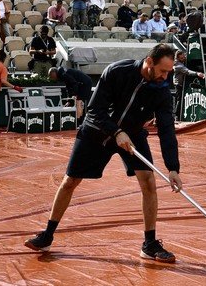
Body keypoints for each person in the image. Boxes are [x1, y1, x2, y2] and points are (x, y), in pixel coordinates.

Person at [25, 45, 182, 263]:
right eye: (163, 70)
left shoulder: (162, 89)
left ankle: (150, 244)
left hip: (133, 134)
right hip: (97, 130)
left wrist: (173, 168)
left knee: (148, 181)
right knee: (70, 181)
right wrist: (116, 132)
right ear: (149, 61)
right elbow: (95, 110)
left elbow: (166, 129)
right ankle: (47, 234)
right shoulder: (117, 71)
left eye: (169, 72)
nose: (166, 76)